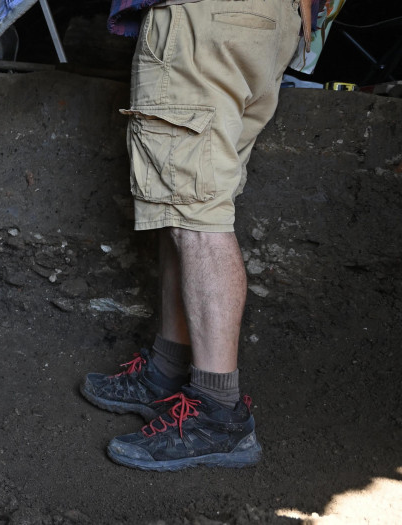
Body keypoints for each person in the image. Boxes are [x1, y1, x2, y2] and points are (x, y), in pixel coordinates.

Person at [80, 0, 326, 471]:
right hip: (271, 22)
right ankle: (169, 370)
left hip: (202, 19)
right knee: (189, 205)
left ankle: (218, 414)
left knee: (196, 217)